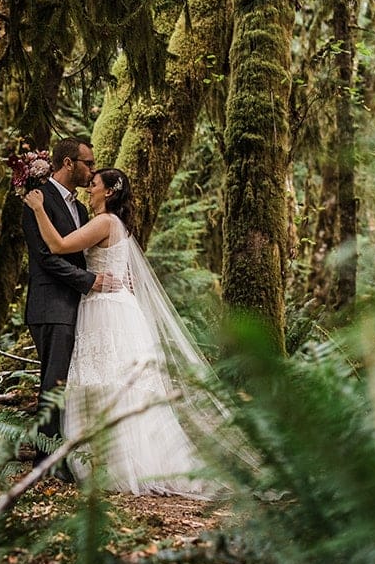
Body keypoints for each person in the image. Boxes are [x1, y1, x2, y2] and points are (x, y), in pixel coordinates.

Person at [23, 167, 222, 496]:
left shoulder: (104, 222)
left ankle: (113, 466)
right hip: (114, 305)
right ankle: (116, 462)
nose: (89, 188)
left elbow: (58, 246)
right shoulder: (116, 224)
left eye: (95, 185)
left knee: (105, 382)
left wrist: (38, 208)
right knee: (116, 384)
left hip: (105, 309)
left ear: (110, 192)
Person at [18, 138, 119, 481]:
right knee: (53, 383)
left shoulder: (78, 208)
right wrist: (90, 280)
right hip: (51, 305)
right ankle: (45, 465)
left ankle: (60, 458)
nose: (92, 170)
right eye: (88, 163)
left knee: (62, 383)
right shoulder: (37, 200)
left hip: (74, 306)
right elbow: (46, 258)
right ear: (67, 163)